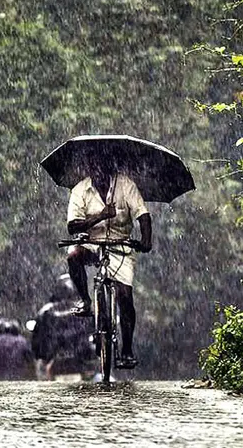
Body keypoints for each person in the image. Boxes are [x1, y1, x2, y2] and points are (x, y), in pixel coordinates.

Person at [66, 156, 152, 369]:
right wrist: (101, 216)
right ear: (89, 169)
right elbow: (73, 226)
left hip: (120, 245)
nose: (99, 173)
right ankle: (86, 301)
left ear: (111, 168)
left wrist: (146, 241)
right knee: (73, 256)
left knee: (125, 296)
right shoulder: (80, 190)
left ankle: (127, 350)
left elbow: (143, 215)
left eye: (104, 168)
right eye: (94, 168)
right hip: (92, 243)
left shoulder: (126, 185)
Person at [31, 274, 96, 380]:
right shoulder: (86, 309)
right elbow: (95, 334)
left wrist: (41, 355)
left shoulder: (45, 311)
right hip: (81, 360)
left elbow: (37, 340)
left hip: (54, 360)